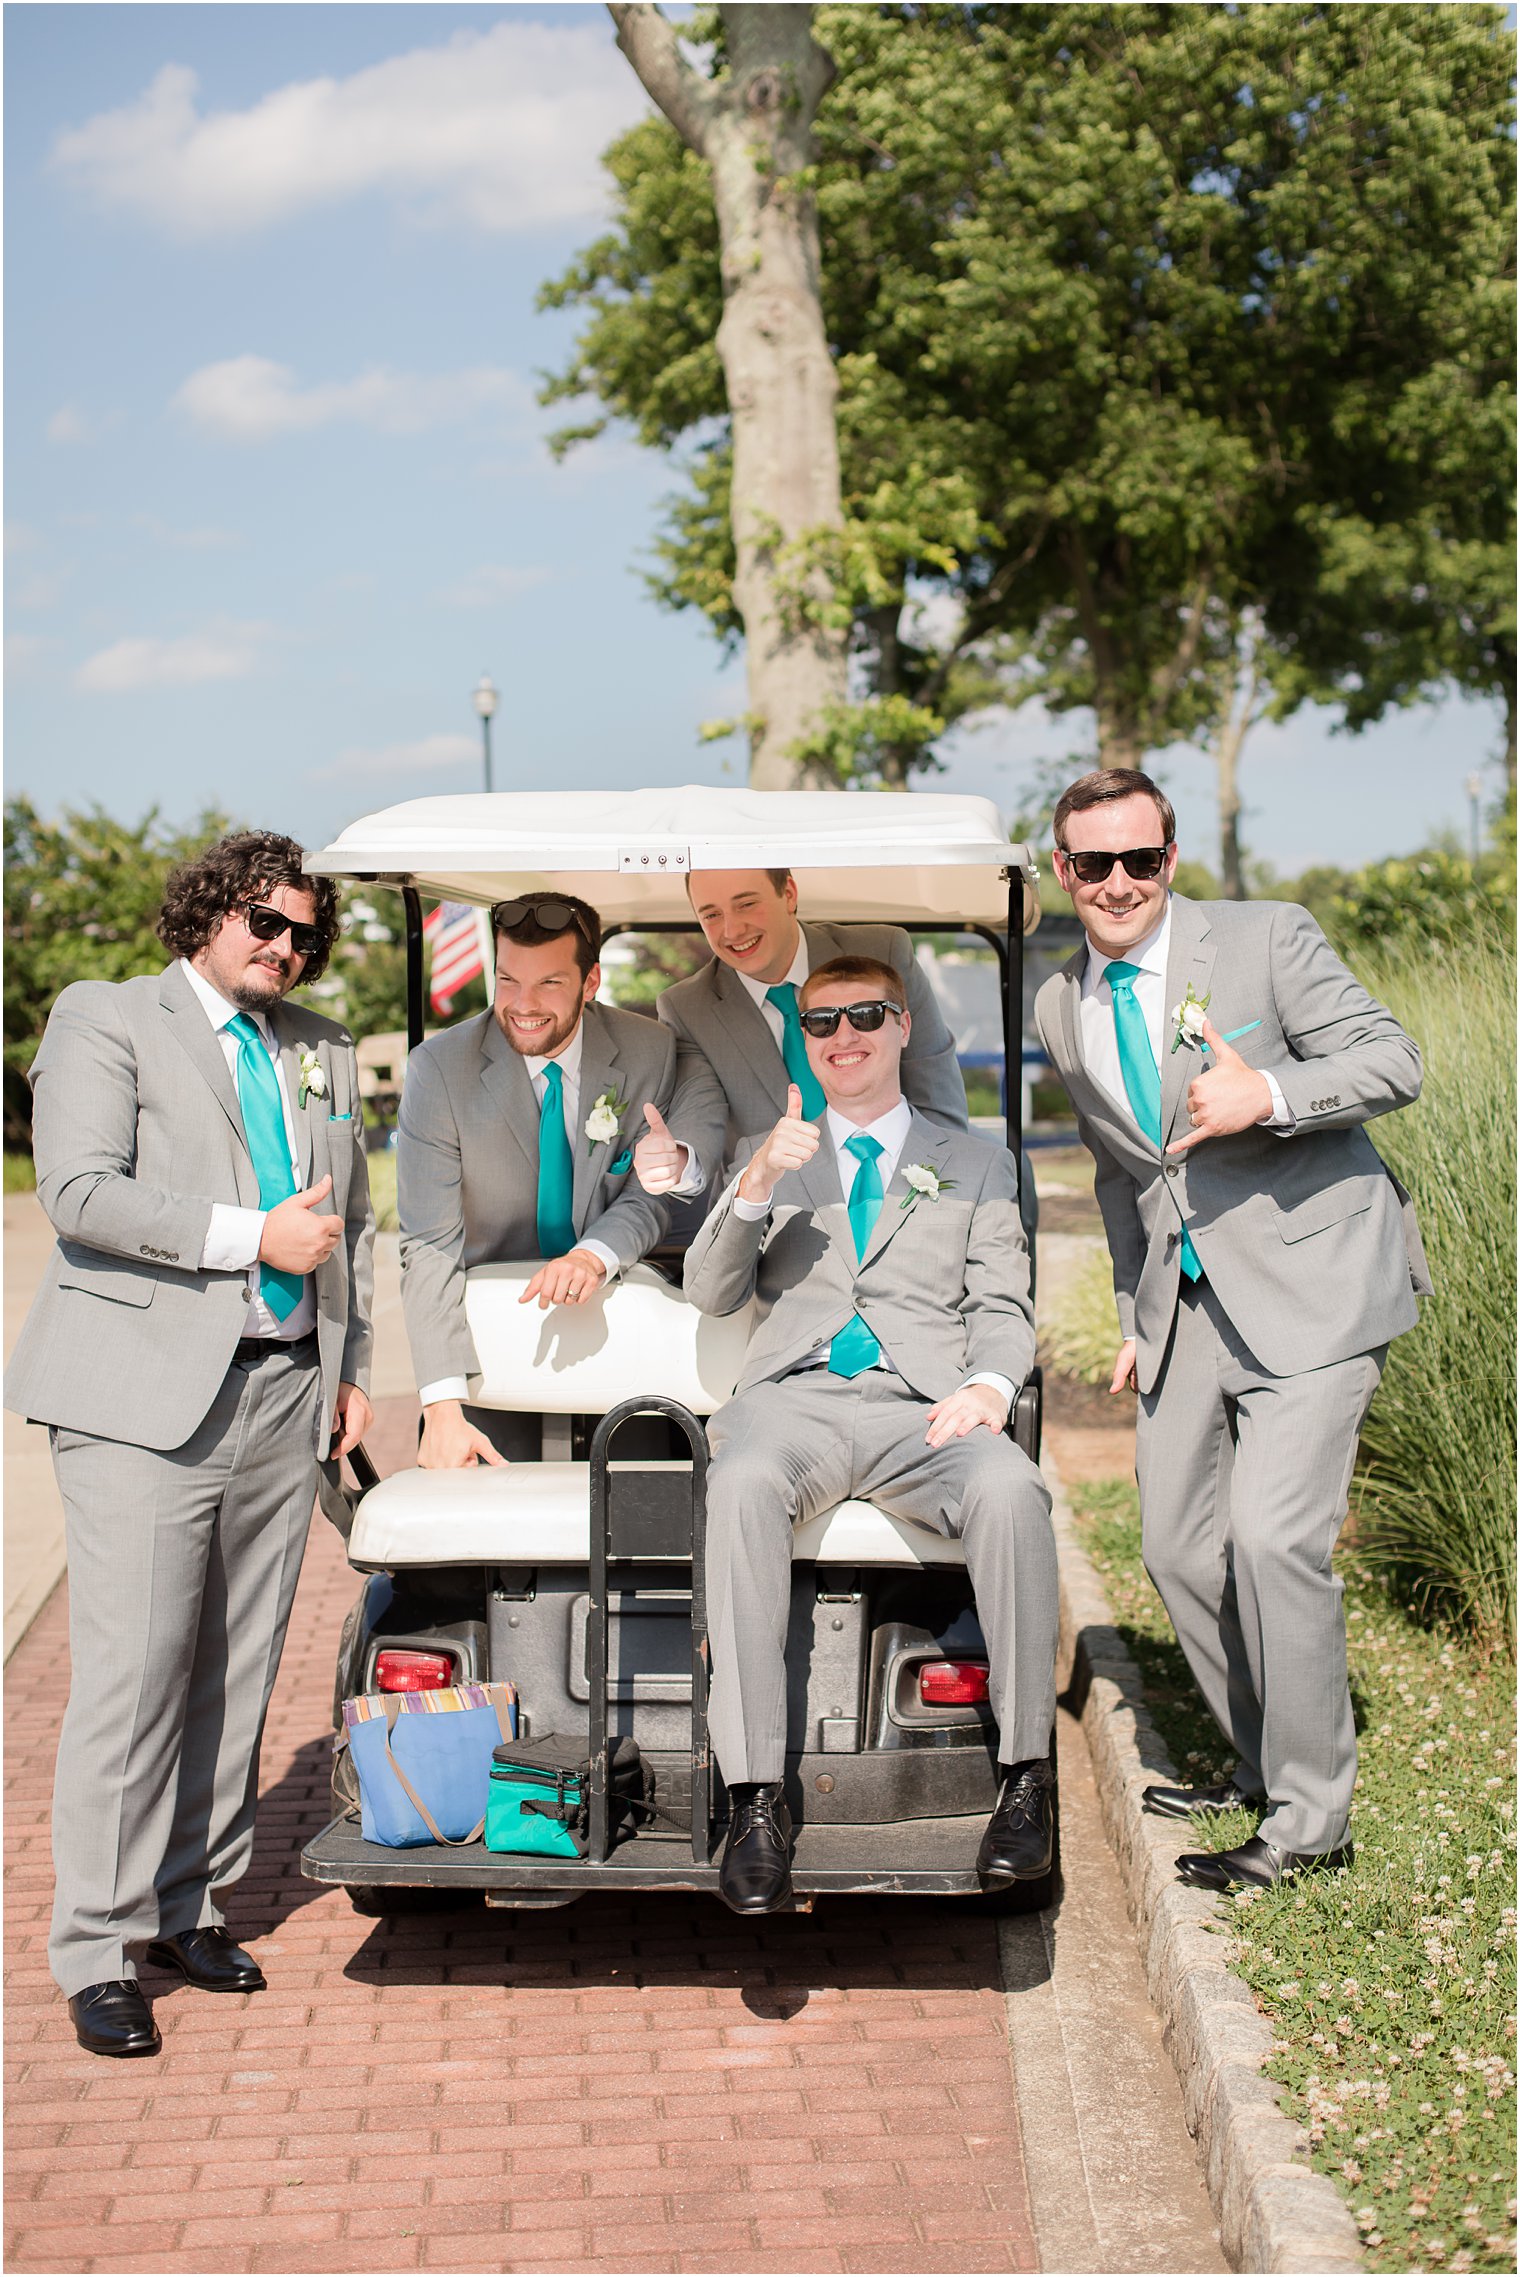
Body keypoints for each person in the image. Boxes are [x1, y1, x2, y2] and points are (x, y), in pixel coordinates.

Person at [5, 831, 375, 2058]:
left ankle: (189, 1907)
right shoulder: (106, 1016)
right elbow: (80, 1193)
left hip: (284, 1392)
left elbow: (348, 1230)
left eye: (304, 934)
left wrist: (350, 1373)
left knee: (238, 1667)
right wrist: (244, 1238)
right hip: (143, 1402)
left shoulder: (320, 1048)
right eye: (266, 924)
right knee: (135, 1676)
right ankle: (99, 1950)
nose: (285, 947)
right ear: (209, 912)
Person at [1035, 768, 1430, 1892]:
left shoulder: (1265, 938)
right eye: (1092, 863)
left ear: (1170, 858)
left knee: (1269, 1541)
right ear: (1062, 870)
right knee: (1172, 1548)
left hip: (1314, 1287)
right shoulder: (1057, 1002)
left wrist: (1270, 1095)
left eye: (1139, 860)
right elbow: (1120, 1174)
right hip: (1184, 1303)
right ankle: (1264, 1765)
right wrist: (1127, 1307)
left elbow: (1393, 1060)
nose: (1117, 883)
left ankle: (1310, 1825)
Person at [684, 954, 1058, 1915]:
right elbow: (711, 1289)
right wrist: (760, 1179)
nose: (842, 1035)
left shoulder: (973, 1160)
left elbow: (1004, 1304)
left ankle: (1026, 1778)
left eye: (865, 1015)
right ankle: (755, 1796)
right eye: (821, 1022)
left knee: (1014, 1490)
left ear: (900, 1026)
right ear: (804, 1041)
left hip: (920, 1407)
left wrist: (988, 1384)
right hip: (795, 1400)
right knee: (737, 1484)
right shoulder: (772, 1156)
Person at [398, 892, 688, 1467]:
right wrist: (443, 1406)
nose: (522, 1005)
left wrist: (592, 1258)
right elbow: (428, 1245)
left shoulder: (649, 1049)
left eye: (550, 984)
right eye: (508, 981)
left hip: (618, 1320)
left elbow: (647, 1196)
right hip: (490, 1340)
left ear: (591, 981)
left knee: (649, 1516)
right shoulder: (439, 1068)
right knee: (483, 1533)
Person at [633, 866, 968, 1213]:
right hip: (778, 1218)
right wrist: (678, 1159)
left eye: (746, 904)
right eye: (712, 915)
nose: (731, 930)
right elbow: (701, 1111)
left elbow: (937, 1100)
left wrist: (924, 1205)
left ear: (789, 894)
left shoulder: (882, 952)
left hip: (897, 1194)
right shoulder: (687, 1007)